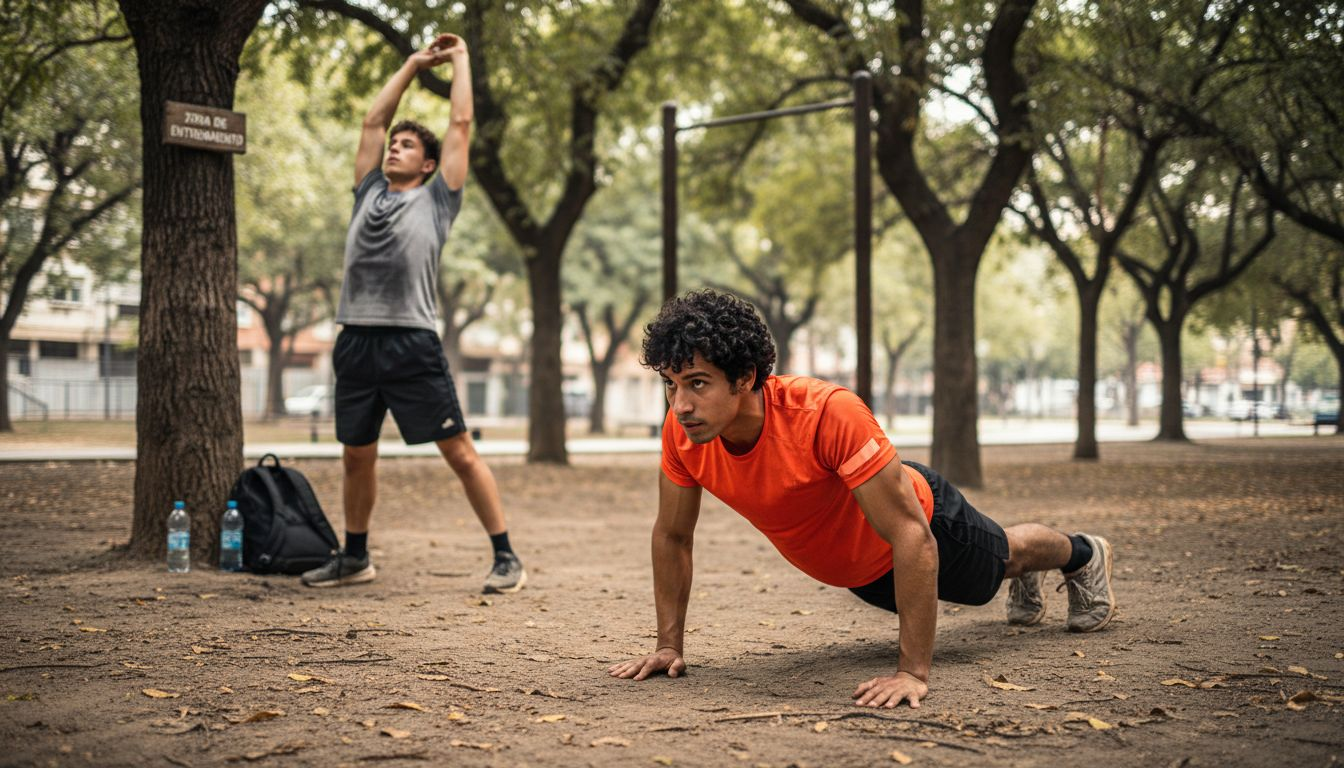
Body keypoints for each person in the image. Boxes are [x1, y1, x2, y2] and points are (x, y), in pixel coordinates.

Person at [608, 290, 1115, 708]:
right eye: (671, 385)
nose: (681, 405)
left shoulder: (825, 414)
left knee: (1002, 559)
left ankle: (1083, 553)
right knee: (994, 567)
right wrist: (668, 646)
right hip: (863, 572)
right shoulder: (682, 434)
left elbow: (911, 534)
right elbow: (672, 536)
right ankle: (1026, 573)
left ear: (744, 378)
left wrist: (912, 673)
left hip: (926, 524)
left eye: (697, 383)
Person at [301, 34, 525, 594]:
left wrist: (462, 60)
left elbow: (461, 126)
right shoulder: (367, 192)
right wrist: (411, 65)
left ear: (428, 165)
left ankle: (506, 556)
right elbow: (372, 124)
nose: (395, 148)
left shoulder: (438, 198)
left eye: (407, 146)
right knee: (356, 454)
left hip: (411, 342)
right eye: (394, 144)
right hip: (355, 339)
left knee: (459, 452)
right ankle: (355, 556)